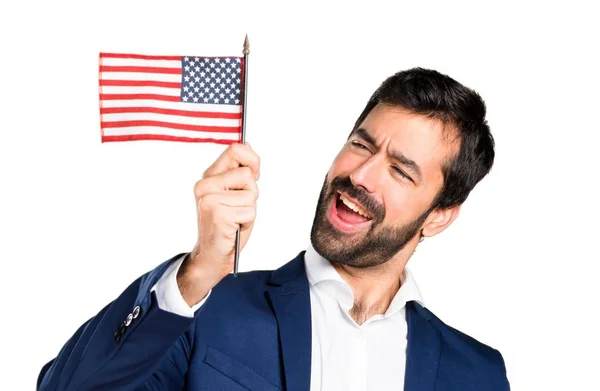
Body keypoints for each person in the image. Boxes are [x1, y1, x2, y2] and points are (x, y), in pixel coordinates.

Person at [37, 67, 510, 390]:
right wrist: (200, 270)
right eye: (361, 145)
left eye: (400, 171)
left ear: (440, 215)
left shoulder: (477, 373)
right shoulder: (210, 306)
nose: (361, 175)